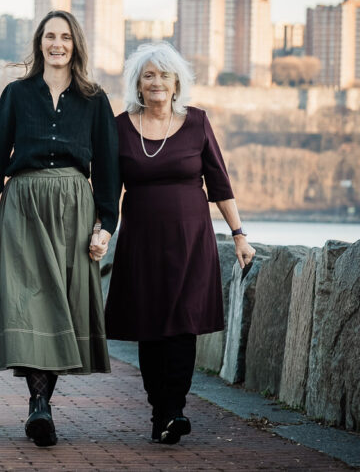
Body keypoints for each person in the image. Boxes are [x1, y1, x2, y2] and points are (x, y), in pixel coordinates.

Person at [0, 10, 121, 448]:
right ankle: (39, 404)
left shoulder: (95, 99)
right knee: (29, 303)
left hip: (73, 208)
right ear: (39, 43)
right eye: (50, 36)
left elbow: (109, 170)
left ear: (76, 44)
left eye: (65, 37)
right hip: (22, 206)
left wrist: (106, 225)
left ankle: (40, 404)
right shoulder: (16, 94)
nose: (57, 44)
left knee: (60, 304)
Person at [104, 42, 255, 445]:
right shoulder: (119, 127)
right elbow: (108, 192)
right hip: (141, 243)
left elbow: (220, 183)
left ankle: (175, 410)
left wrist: (239, 235)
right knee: (151, 327)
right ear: (138, 83)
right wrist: (99, 233)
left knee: (183, 325)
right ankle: (160, 411)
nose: (157, 82)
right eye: (149, 75)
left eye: (164, 75)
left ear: (177, 83)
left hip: (191, 241)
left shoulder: (197, 122)